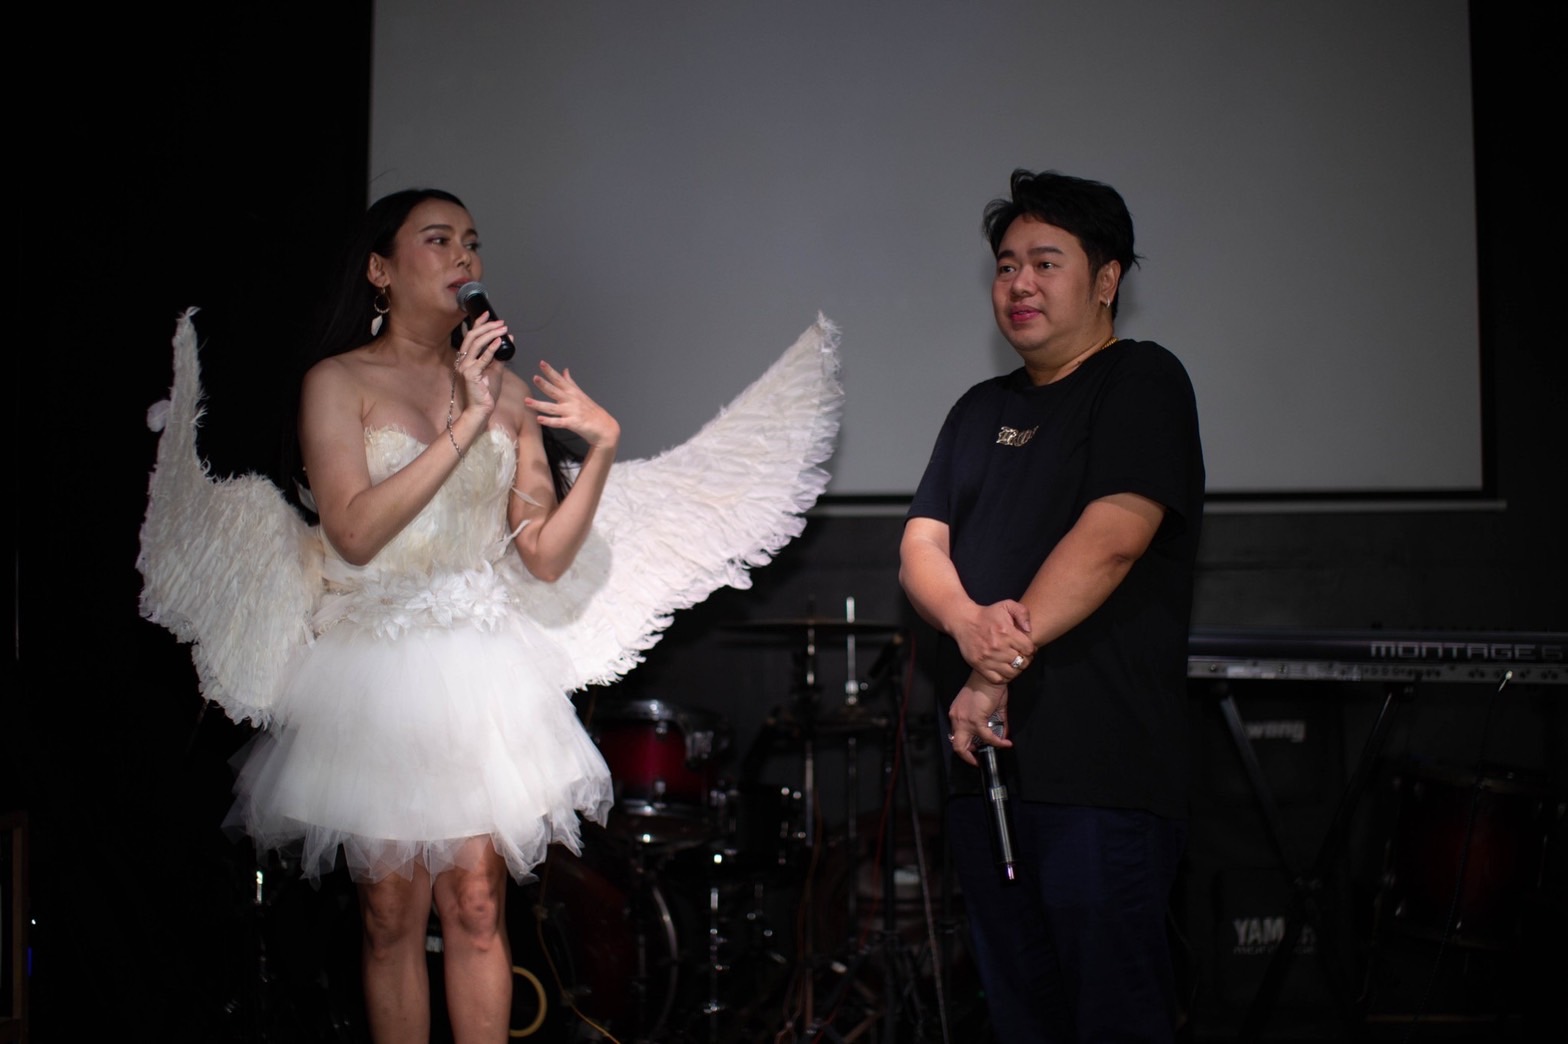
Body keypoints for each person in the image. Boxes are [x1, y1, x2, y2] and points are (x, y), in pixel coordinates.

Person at [138, 187, 842, 1043]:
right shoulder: (338, 382)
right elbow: (352, 532)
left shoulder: (506, 395)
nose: (464, 258)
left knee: (476, 903)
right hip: (373, 669)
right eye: (438, 240)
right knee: (389, 913)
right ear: (380, 270)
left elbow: (542, 554)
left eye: (471, 242)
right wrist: (465, 424)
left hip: (477, 665)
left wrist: (603, 452)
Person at [899, 169, 1204, 1042]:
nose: (1019, 284)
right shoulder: (977, 409)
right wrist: (966, 624)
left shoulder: (1141, 380)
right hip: (986, 779)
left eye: (1045, 262)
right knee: (1018, 1016)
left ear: (1106, 279)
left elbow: (1112, 538)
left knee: (1112, 1017)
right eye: (1005, 266)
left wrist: (992, 669)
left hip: (1102, 778)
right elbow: (921, 545)